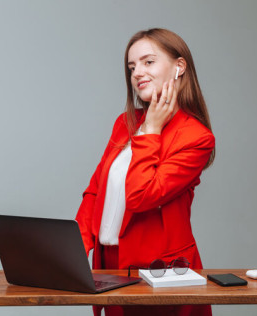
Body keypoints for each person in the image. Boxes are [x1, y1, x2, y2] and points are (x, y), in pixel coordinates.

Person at [75, 28, 215, 316]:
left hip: (161, 275)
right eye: (131, 66)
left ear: (179, 67)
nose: (137, 72)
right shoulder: (124, 123)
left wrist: (151, 130)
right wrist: (72, 252)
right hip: (110, 268)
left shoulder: (196, 138)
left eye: (148, 62)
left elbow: (141, 196)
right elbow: (95, 192)